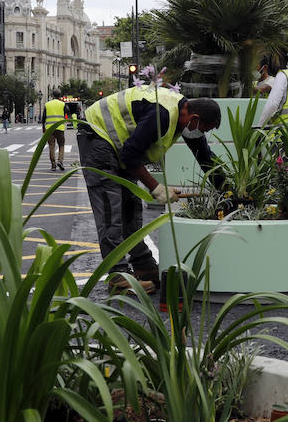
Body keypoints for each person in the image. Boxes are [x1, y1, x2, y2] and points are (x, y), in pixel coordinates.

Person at [78, 87, 222, 293]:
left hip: (117, 145)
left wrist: (227, 189)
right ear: (194, 117)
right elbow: (129, 156)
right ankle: (118, 276)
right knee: (111, 208)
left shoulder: (186, 120)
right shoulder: (162, 115)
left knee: (131, 207)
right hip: (96, 136)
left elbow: (205, 156)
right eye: (203, 129)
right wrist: (156, 188)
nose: (201, 134)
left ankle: (143, 267)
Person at [44, 94, 68, 171]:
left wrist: (43, 127)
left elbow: (43, 117)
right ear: (59, 96)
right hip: (60, 128)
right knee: (61, 145)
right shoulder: (62, 104)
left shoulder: (47, 104)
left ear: (52, 96)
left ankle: (53, 165)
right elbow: (67, 111)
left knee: (51, 146)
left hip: (50, 128)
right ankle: (60, 161)